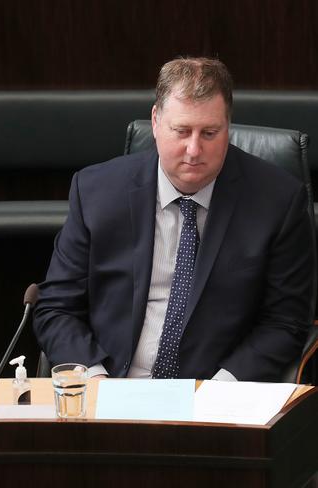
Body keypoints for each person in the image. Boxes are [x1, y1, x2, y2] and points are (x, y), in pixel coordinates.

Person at [34, 57, 314, 382]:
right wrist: (96, 381)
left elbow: (286, 321)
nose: (194, 149)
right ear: (155, 121)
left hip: (214, 398)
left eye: (210, 133)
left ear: (228, 126)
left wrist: (224, 388)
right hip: (111, 390)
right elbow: (56, 308)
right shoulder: (96, 192)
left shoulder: (277, 202)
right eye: (181, 131)